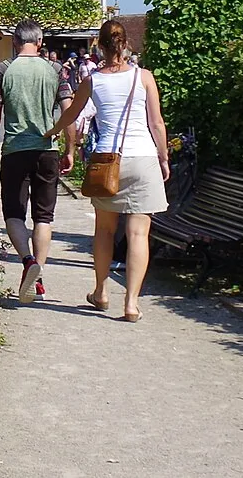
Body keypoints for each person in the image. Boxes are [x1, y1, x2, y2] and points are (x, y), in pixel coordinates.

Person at [46, 17, 170, 322]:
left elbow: (71, 116)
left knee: (104, 230)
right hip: (142, 158)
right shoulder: (144, 77)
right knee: (139, 233)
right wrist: (163, 157)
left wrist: (51, 134)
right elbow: (156, 123)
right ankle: (131, 303)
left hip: (107, 161)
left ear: (99, 47)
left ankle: (101, 292)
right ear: (125, 44)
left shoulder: (93, 80)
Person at [0, 21, 75, 302]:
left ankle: (28, 261)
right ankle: (40, 278)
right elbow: (68, 113)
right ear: (40, 42)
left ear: (15, 42)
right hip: (47, 149)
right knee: (44, 216)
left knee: (14, 213)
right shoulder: (55, 70)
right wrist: (70, 148)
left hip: (15, 150)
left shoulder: (4, 70)